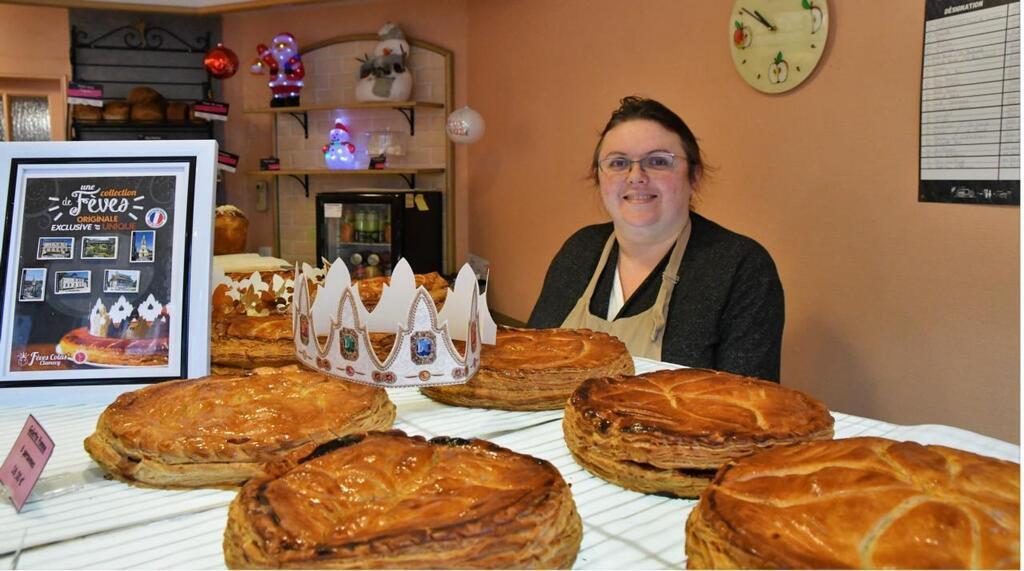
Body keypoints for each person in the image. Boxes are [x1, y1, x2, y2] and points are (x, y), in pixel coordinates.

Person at [528, 96, 784, 381]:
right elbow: (532, 367)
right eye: (618, 163)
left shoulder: (739, 267)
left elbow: (746, 406)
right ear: (599, 178)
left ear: (694, 176)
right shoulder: (579, 251)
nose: (636, 176)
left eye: (658, 161)